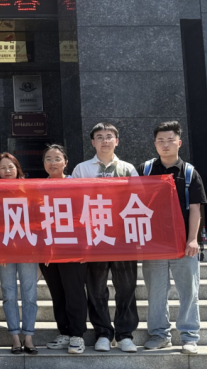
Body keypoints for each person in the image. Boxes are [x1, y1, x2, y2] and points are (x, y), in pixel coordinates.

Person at [71, 122, 139, 353]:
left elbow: (138, 200)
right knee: (96, 288)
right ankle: (103, 332)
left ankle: (125, 334)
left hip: (122, 237)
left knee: (126, 287)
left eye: (109, 136)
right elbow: (73, 202)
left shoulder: (128, 169)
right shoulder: (82, 169)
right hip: (94, 237)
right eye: (99, 137)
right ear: (93, 142)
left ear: (116, 141)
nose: (105, 141)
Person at [140, 121, 206, 355]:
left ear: (179, 142)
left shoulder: (189, 172)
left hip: (183, 243)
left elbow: (196, 208)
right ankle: (159, 335)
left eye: (170, 140)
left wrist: (193, 239)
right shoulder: (146, 170)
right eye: (160, 140)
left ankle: (189, 337)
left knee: (189, 291)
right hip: (154, 243)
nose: (165, 145)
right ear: (155, 144)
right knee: (156, 292)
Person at [38, 144, 88, 355]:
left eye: (57, 159)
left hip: (72, 248)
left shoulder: (76, 185)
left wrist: (85, 247)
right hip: (48, 250)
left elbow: (85, 216)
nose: (52, 163)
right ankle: (64, 331)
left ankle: (77, 335)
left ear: (66, 162)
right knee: (57, 293)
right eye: (48, 159)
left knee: (74, 291)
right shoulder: (38, 188)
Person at [0, 153, 38, 355]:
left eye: (10, 166)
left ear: (17, 168)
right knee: (9, 294)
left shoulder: (29, 189)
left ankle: (28, 336)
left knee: (30, 294)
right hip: (4, 250)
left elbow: (38, 219)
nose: (7, 171)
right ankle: (14, 336)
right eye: (3, 167)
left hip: (27, 249)